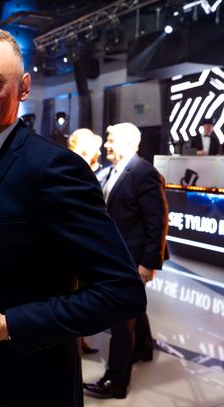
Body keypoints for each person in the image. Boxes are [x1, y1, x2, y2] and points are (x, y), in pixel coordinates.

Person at [0, 26, 147, 407]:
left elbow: (122, 292)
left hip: (32, 384)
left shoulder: (53, 168)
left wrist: (10, 325)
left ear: (24, 87)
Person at [84, 122, 169, 399]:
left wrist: (149, 264)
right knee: (132, 308)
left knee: (120, 318)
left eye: (111, 140)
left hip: (132, 259)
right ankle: (143, 347)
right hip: (116, 257)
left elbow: (157, 222)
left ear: (130, 143)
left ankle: (116, 381)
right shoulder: (111, 171)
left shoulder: (144, 173)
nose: (106, 145)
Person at [67, 128, 104, 355]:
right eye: (95, 149)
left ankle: (79, 339)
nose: (100, 152)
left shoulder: (89, 170)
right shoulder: (71, 170)